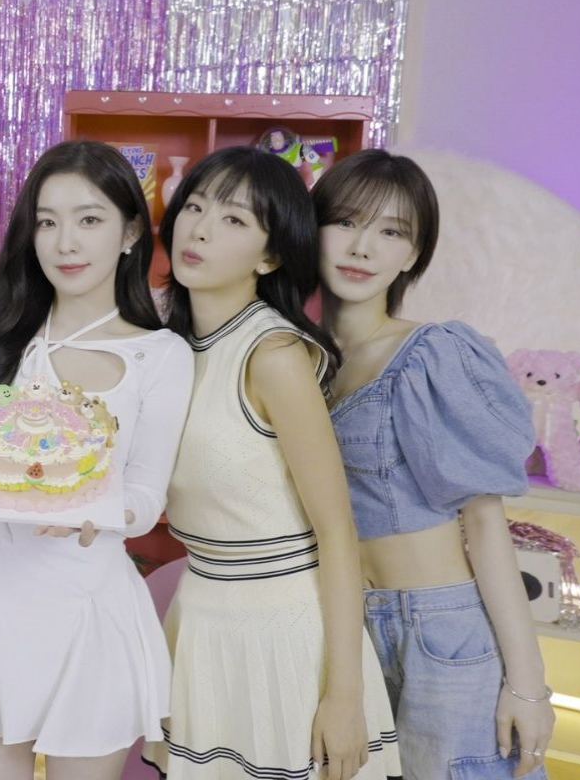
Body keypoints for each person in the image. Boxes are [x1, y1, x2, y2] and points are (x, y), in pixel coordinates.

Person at [0, 140, 194, 780]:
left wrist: (96, 511)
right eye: (48, 221)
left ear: (130, 232)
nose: (66, 242)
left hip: (88, 606)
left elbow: (148, 492)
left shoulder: (161, 354)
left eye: (89, 219)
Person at [144, 146, 400, 780]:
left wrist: (344, 696)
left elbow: (337, 531)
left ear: (270, 256)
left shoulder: (274, 354)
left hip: (285, 631)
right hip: (202, 616)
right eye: (194, 207)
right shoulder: (169, 349)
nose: (200, 229)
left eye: (234, 219)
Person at [314, 148, 553, 778]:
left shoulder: (432, 354)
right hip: (340, 628)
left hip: (442, 629)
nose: (362, 247)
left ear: (413, 255)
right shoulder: (299, 359)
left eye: (392, 232)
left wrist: (529, 685)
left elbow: (484, 524)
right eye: (345, 221)